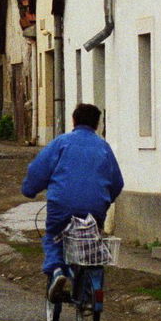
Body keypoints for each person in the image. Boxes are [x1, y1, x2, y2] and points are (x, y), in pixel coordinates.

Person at [21, 104, 124, 300]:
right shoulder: (104, 147)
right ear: (98, 124)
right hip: (95, 208)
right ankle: (89, 289)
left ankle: (58, 271)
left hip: (62, 206)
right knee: (92, 240)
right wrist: (104, 201)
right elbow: (117, 182)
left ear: (73, 121)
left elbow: (38, 171)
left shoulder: (61, 143)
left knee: (54, 237)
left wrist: (29, 190)